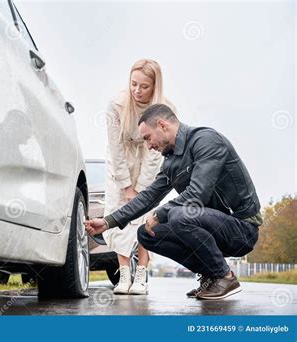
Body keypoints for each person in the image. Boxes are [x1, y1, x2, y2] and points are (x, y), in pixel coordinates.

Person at [86, 104, 262, 300]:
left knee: (180, 215)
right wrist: (108, 221)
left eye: (147, 138)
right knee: (146, 234)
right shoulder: (171, 161)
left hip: (241, 229)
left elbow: (197, 194)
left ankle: (224, 277)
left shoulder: (207, 141)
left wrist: (160, 213)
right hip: (209, 225)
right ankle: (211, 274)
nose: (149, 146)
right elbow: (148, 196)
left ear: (162, 125)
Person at [102, 59, 176, 295]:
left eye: (144, 86)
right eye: (133, 84)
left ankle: (141, 272)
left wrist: (141, 190)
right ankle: (124, 273)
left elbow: (157, 153)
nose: (137, 90)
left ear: (155, 87)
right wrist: (125, 186)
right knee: (117, 215)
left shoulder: (165, 109)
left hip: (149, 159)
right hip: (120, 161)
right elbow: (115, 147)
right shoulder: (115, 104)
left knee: (143, 215)